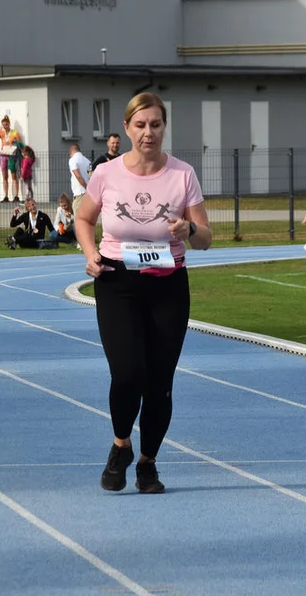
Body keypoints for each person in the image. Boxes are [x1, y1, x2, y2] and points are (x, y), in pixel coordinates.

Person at [76, 93, 212, 494]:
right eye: (140, 125)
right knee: (127, 373)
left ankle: (148, 463)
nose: (148, 133)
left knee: (159, 382)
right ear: (127, 127)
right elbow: (84, 219)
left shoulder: (183, 174)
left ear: (163, 127)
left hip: (168, 283)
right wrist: (89, 254)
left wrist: (189, 231)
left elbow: (206, 237)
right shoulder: (107, 174)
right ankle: (121, 445)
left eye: (155, 124)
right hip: (117, 281)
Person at [0, 115, 24, 203]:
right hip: (3, 155)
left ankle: (16, 196)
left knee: (14, 176)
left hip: (12, 155)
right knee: (4, 177)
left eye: (6, 124)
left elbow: (20, 144)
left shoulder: (14, 132)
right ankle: (6, 196)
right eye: (3, 125)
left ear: (9, 124)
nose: (4, 126)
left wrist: (14, 144)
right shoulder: (2, 133)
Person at [68, 143, 90, 215]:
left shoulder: (72, 160)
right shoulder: (87, 161)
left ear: (71, 152)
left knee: (78, 221)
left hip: (80, 193)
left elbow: (78, 176)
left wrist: (87, 188)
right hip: (88, 195)